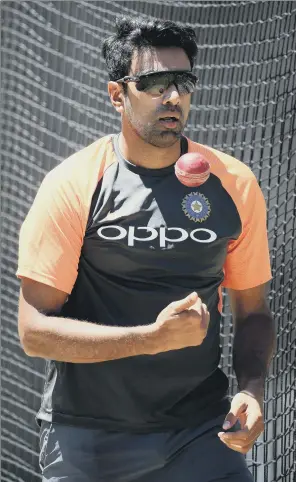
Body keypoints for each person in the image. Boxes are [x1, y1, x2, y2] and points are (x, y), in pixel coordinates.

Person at [17, 16, 275, 482]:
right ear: (118, 94)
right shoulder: (72, 184)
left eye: (183, 82)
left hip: (200, 433)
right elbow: (34, 331)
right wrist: (149, 339)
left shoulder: (235, 184)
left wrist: (252, 392)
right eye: (155, 83)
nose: (173, 96)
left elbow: (253, 311)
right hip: (87, 436)